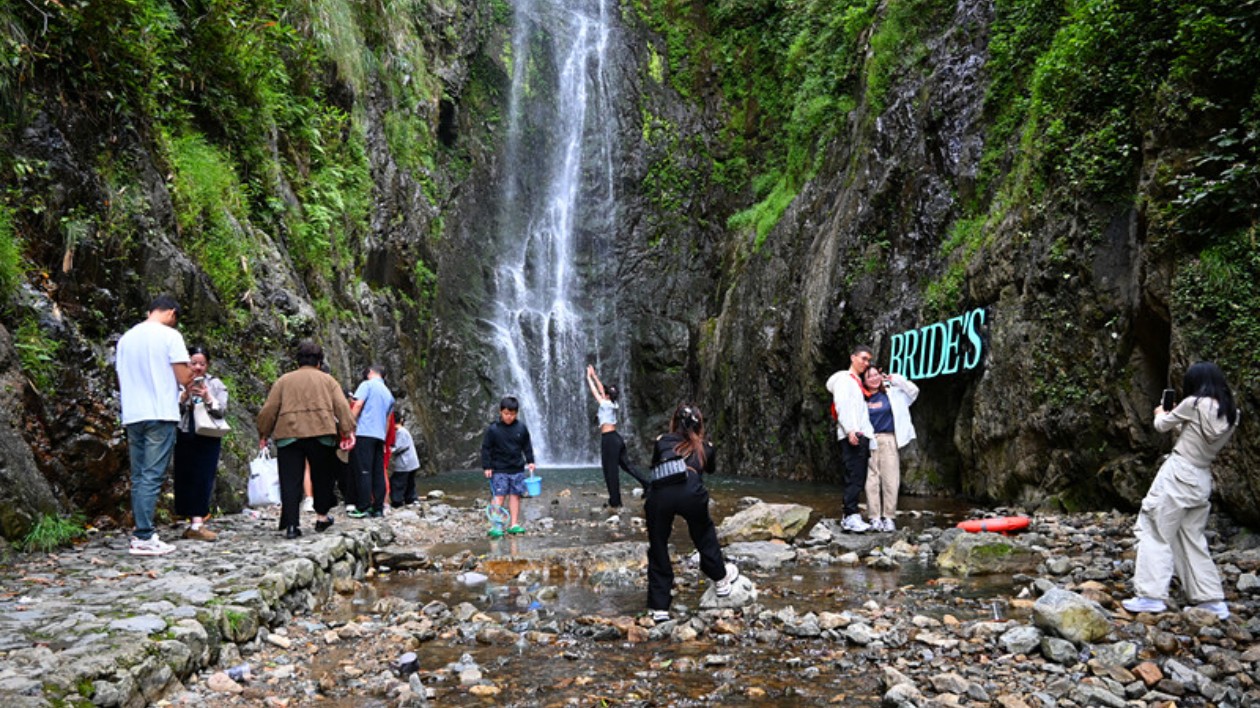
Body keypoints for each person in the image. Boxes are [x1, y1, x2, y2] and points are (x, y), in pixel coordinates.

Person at [1123, 362, 1239, 620]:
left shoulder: (1194, 404)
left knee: (1155, 530)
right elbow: (1198, 435)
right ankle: (1210, 600)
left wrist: (1160, 413)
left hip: (1178, 473)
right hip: (1201, 477)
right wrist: (1177, 418)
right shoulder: (1231, 412)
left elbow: (1161, 426)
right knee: (1191, 538)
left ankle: (1150, 596)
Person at [644, 403, 739, 622]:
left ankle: (659, 607)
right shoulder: (706, 447)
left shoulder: (662, 441)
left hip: (661, 493)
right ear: (699, 425)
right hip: (691, 492)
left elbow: (655, 464)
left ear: (674, 422)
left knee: (658, 544)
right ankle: (721, 580)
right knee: (703, 533)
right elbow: (710, 469)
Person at [116, 295, 192, 556]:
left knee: (138, 476)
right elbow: (183, 376)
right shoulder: (170, 336)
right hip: (160, 412)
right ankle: (144, 536)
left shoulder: (126, 339)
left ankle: (142, 533)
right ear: (171, 313)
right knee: (152, 475)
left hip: (133, 413)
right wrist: (191, 374)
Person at [257, 340, 357, 538]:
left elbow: (269, 409)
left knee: (290, 479)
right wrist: (348, 431)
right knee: (322, 477)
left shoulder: (284, 381)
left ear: (297, 362)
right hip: (321, 434)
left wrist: (264, 433)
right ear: (319, 362)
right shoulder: (328, 381)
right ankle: (321, 517)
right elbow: (342, 407)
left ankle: (292, 525)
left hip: (288, 435)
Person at [172, 346, 229, 541]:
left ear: (207, 365)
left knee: (204, 476)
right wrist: (184, 396)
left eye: (201, 364)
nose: (197, 367)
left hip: (209, 435)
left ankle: (198, 522)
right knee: (184, 476)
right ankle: (190, 519)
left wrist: (207, 397)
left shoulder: (215, 384)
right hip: (184, 432)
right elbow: (171, 410)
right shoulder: (177, 382)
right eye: (193, 363)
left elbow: (221, 410)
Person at [862, 365, 919, 532]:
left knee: (891, 479)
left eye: (876, 375)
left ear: (881, 376)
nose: (873, 378)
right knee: (871, 480)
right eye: (869, 376)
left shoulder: (892, 393)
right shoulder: (861, 397)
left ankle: (888, 517)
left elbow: (914, 392)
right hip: (869, 439)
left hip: (888, 438)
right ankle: (874, 517)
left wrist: (898, 380)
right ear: (864, 381)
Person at [825, 344, 875, 533]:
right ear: (852, 357)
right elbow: (842, 405)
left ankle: (852, 515)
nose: (866, 363)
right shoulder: (845, 380)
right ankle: (850, 516)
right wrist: (850, 430)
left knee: (858, 475)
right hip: (853, 434)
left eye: (869, 360)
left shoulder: (856, 382)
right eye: (863, 358)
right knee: (854, 476)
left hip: (859, 433)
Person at [586, 364, 647, 508]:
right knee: (627, 466)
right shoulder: (613, 403)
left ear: (607, 395)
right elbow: (602, 390)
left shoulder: (604, 403)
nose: (603, 393)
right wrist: (594, 376)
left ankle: (616, 501)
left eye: (605, 393)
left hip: (609, 440)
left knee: (610, 470)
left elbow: (596, 391)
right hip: (616, 438)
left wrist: (589, 378)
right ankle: (647, 485)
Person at [480, 396, 535, 538]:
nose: (509, 417)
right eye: (506, 414)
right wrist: (487, 466)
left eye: (512, 414)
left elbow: (527, 446)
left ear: (516, 413)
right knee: (498, 496)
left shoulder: (521, 428)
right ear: (500, 412)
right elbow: (486, 448)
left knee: (515, 496)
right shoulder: (493, 429)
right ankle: (496, 525)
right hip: (499, 469)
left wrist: (530, 461)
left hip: (517, 468)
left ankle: (514, 524)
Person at [348, 365, 394, 518]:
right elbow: (387, 420)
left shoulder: (366, 385)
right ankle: (378, 508)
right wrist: (383, 439)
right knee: (378, 472)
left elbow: (358, 405)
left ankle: (364, 507)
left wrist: (348, 425)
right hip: (379, 436)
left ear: (372, 372)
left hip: (365, 433)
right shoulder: (388, 394)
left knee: (364, 471)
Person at [389, 414, 421, 507]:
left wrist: (387, 449)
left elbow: (399, 447)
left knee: (397, 482)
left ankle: (397, 501)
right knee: (409, 482)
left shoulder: (400, 431)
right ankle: (411, 499)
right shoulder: (403, 431)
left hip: (405, 463)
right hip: (412, 462)